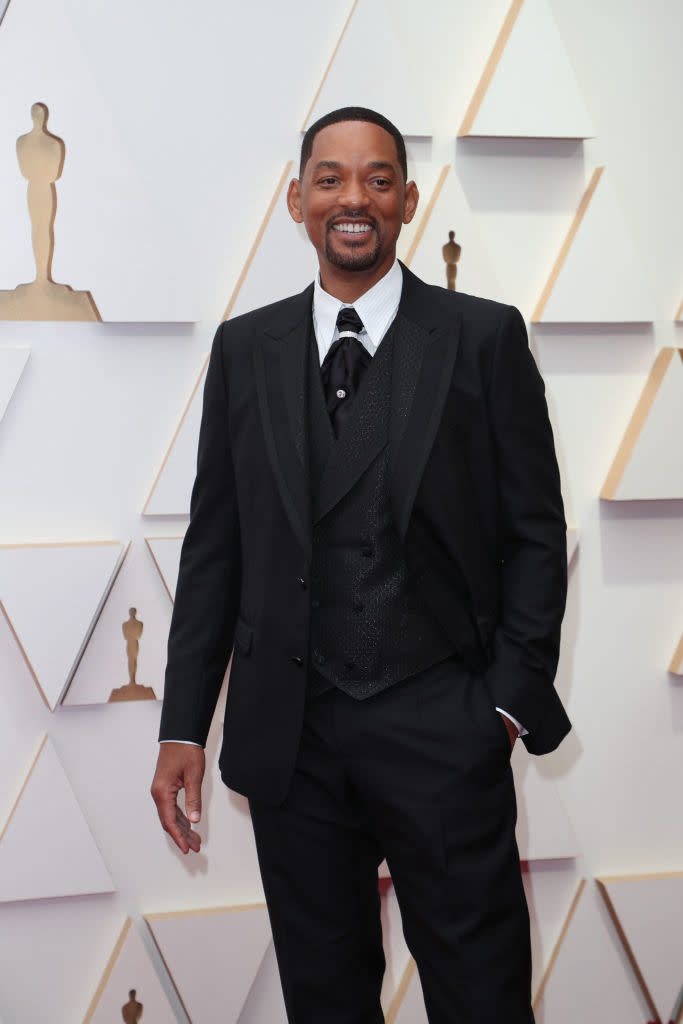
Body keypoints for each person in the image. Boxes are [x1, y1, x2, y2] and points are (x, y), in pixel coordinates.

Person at [151, 106, 570, 1024]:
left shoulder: (482, 337)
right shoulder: (243, 348)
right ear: (296, 199)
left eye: (378, 180)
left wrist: (500, 706)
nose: (355, 198)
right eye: (331, 179)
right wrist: (182, 722)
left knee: (481, 996)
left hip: (443, 726)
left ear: (408, 200)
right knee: (325, 999)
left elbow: (536, 534)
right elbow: (215, 545)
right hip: (291, 740)